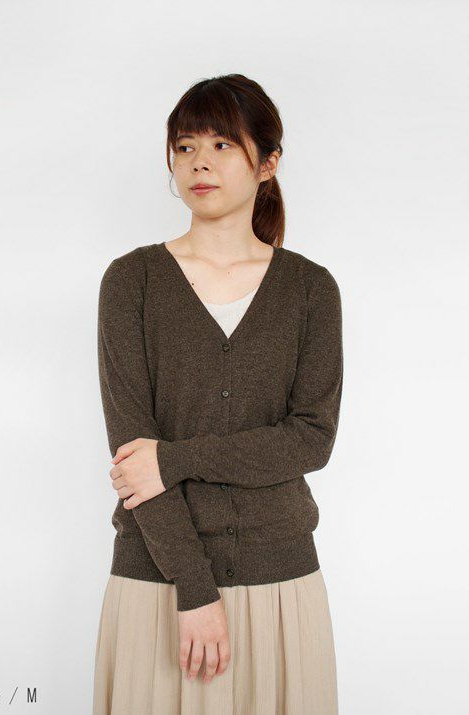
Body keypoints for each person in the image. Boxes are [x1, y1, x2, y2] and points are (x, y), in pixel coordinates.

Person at [93, 73, 343, 714]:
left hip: (280, 581)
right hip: (157, 580)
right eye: (184, 147)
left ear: (268, 163)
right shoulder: (131, 282)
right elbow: (133, 458)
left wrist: (175, 459)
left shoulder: (310, 290)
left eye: (222, 144)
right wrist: (195, 590)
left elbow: (310, 440)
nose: (199, 162)